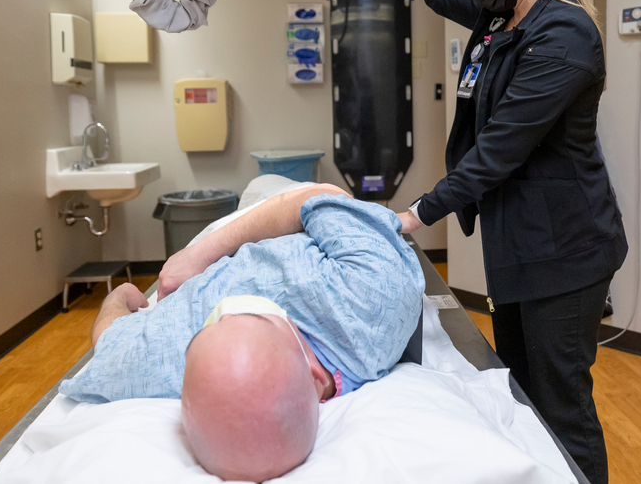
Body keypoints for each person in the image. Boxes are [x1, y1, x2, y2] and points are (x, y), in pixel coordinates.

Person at [396, 0, 628, 484]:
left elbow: (500, 150)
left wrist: (416, 212)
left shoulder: (565, 33)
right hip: (518, 240)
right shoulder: (502, 12)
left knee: (562, 406)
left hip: (566, 250)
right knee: (521, 398)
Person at [60, 184, 425, 482]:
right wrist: (203, 256)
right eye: (256, 317)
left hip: (215, 243)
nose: (230, 307)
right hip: (279, 212)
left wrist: (121, 295)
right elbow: (321, 197)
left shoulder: (161, 361)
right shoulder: (374, 295)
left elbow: (107, 342)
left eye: (213, 324)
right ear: (315, 378)